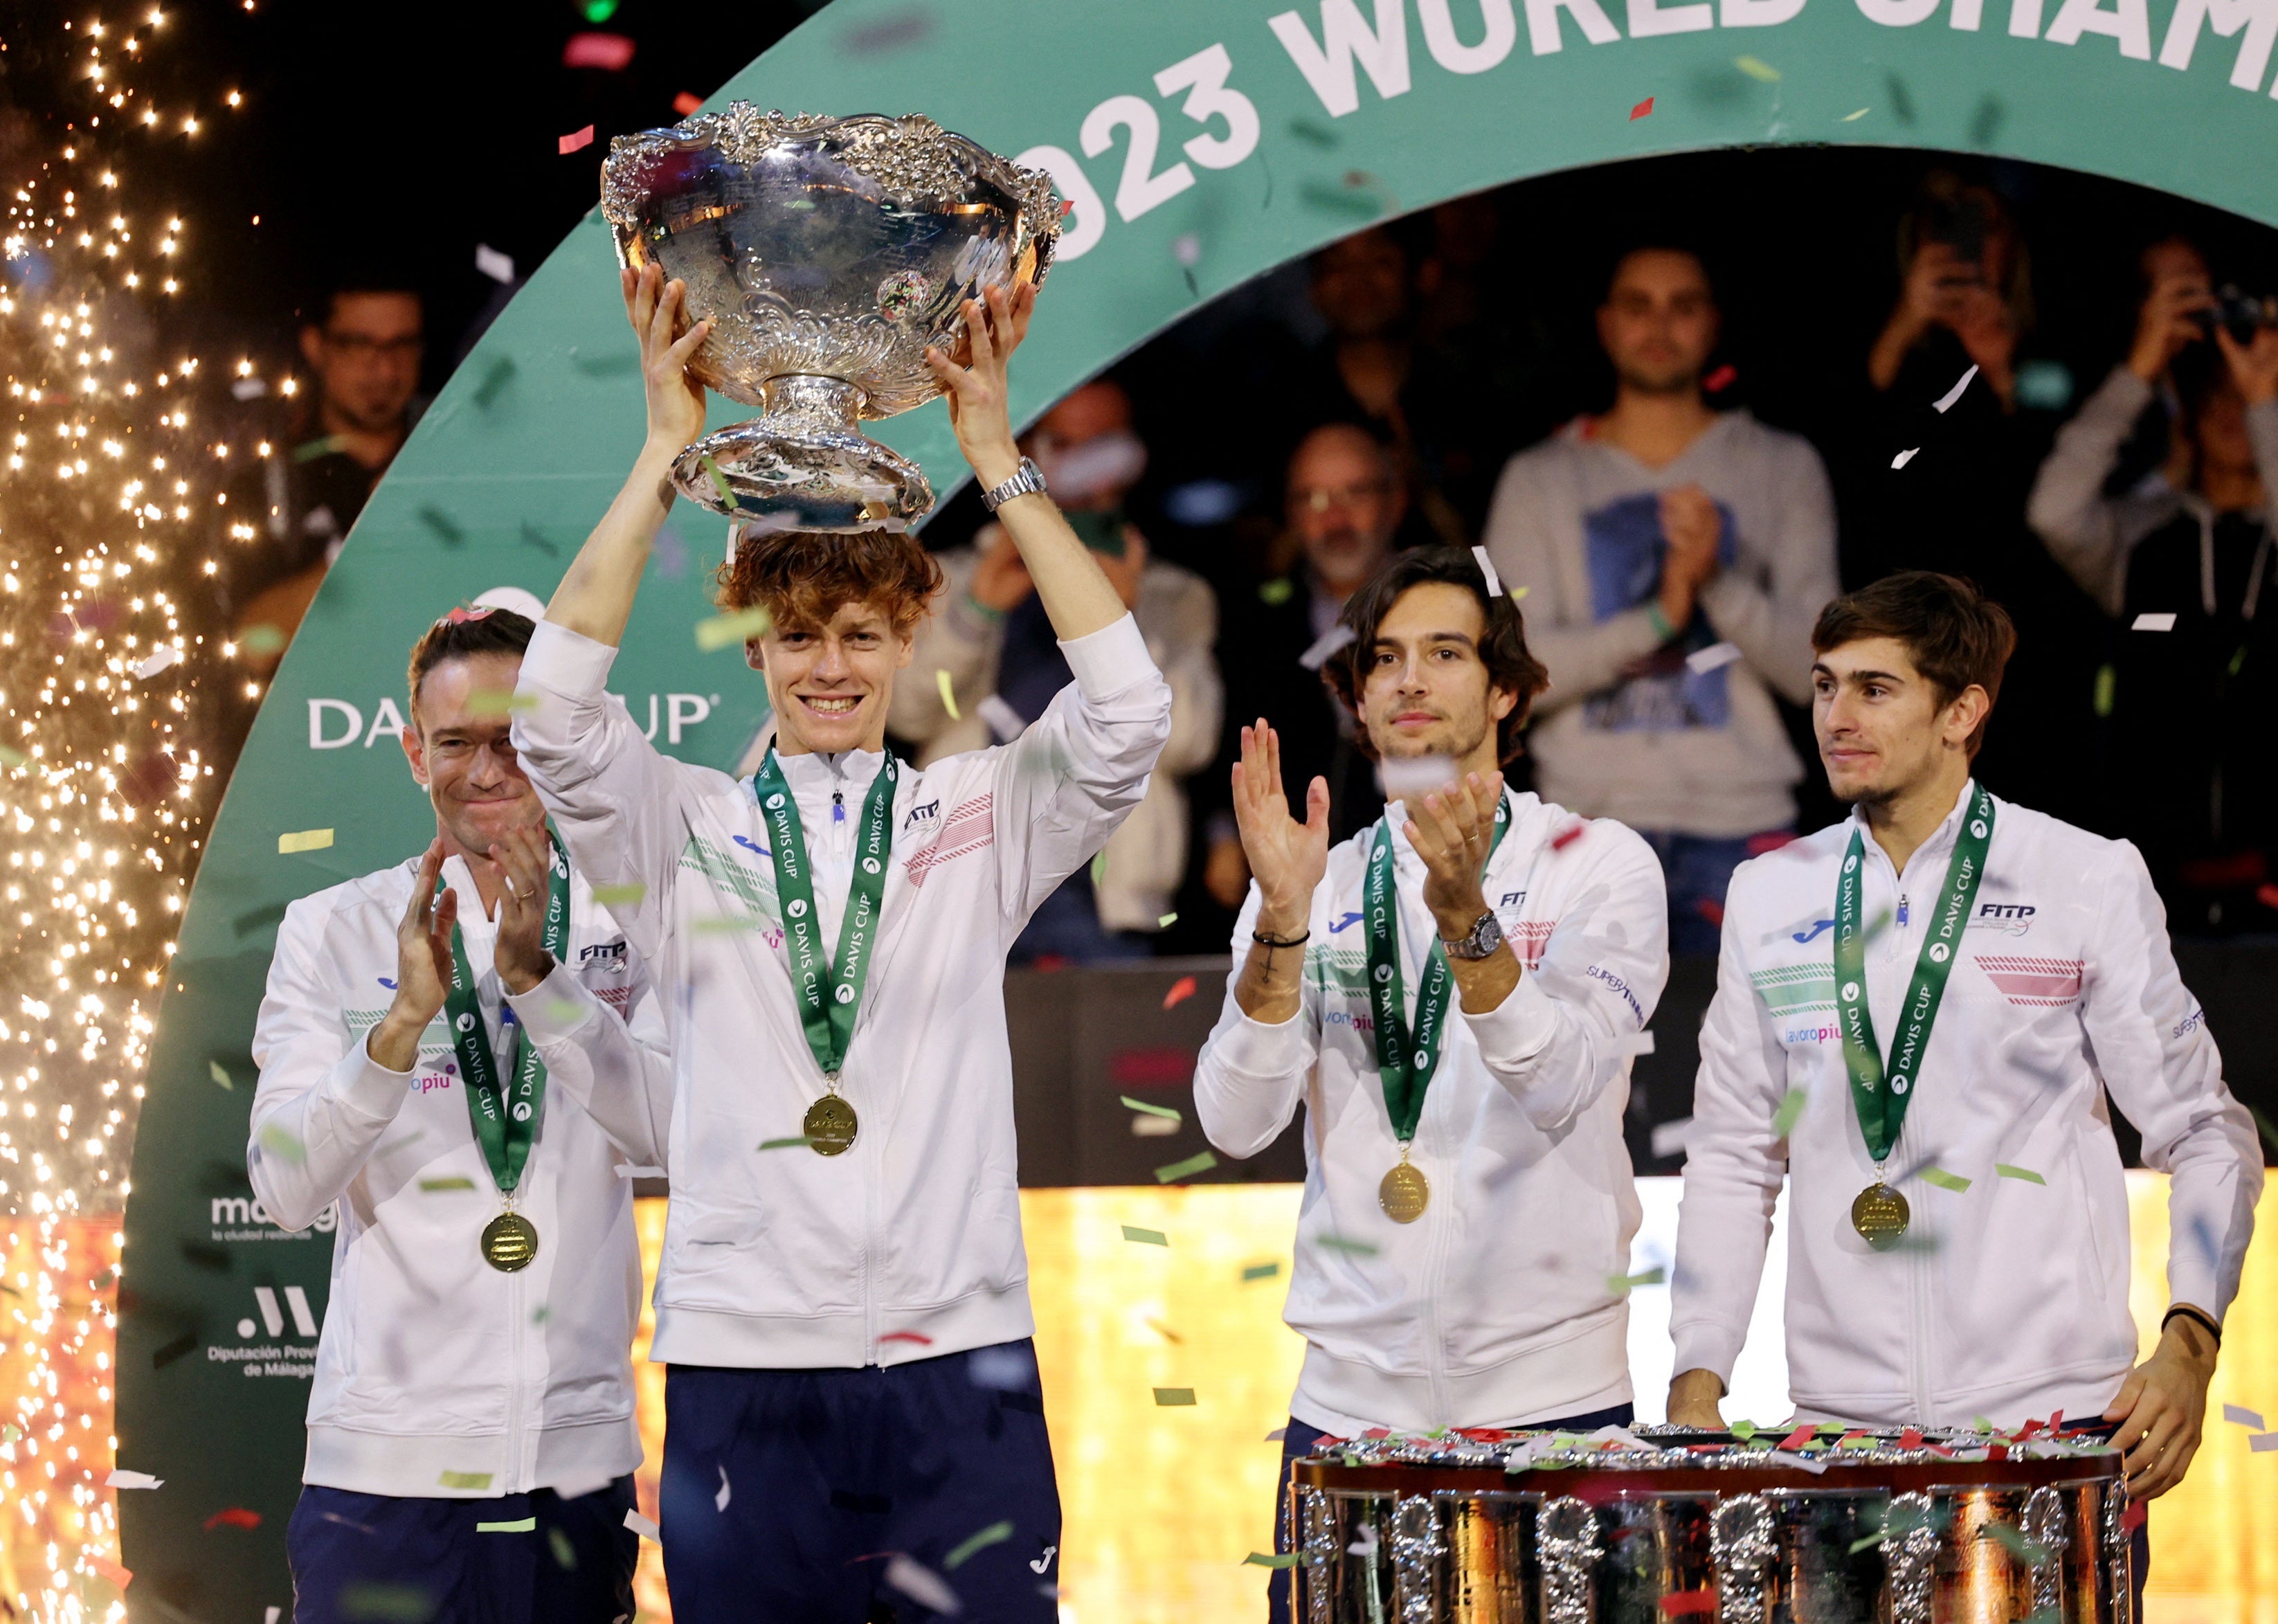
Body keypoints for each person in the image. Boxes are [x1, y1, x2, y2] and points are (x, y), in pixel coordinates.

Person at [509, 264, 1171, 1619]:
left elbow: (1127, 713)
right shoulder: (678, 827)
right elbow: (554, 717)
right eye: (797, 636)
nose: (828, 667)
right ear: (753, 647)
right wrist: (659, 453)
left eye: (861, 636)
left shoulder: (971, 815)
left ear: (907, 638)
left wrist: (998, 460)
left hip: (961, 1361)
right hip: (745, 1365)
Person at [1667, 575, 2259, 1546]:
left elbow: (2202, 1128)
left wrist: (2187, 1340)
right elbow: (1733, 1154)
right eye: (1822, 686)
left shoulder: (2082, 875)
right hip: (1835, 1441)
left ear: (1961, 710)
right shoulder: (1769, 894)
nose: (1835, 717)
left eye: (1873, 687)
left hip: (2053, 1431)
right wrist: (1696, 1379)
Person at [1191, 547, 1669, 1624]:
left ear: (1504, 689)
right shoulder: (1309, 876)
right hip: (1348, 1416)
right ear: (1358, 697)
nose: (1409, 680)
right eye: (1385, 658)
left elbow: (1560, 1081)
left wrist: (1466, 922)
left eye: (1444, 653)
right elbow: (1232, 1119)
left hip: (1555, 1409)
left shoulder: (1599, 863)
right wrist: (1279, 921)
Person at [246, 606, 671, 1623]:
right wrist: (398, 1026)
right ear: (411, 751)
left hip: (571, 1464)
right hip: (381, 1469)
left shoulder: (634, 921)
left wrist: (540, 985)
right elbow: (283, 1187)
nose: (487, 772)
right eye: (456, 743)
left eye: (516, 741)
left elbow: (667, 1131)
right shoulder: (331, 928)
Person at [1481, 244, 1839, 955]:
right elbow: (1510, 674)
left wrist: (1715, 583)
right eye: (1639, 306)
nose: (1659, 326)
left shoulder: (1780, 465)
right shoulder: (1540, 478)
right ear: (1607, 324)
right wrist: (1657, 619)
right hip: (1580, 833)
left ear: (1713, 324)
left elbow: (1819, 677)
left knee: (1769, 1066)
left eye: (1683, 306)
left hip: (1745, 825)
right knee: (1575, 1065)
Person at [889, 377, 1220, 962]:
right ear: (1027, 448)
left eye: (1104, 442)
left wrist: (1130, 623)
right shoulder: (949, 578)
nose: (1086, 465)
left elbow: (1189, 743)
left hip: (1104, 892)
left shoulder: (1175, 596)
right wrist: (975, 612)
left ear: (1133, 453)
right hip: (967, 875)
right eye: (1064, 443)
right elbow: (910, 713)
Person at [1843, 171, 2104, 828]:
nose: (1959, 241)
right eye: (1941, 218)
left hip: (2029, 658)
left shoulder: (2059, 347)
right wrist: (1902, 328)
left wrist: (2000, 370)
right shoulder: (1878, 347)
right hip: (1904, 647)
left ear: (2010, 239)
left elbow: (2069, 498)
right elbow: (1841, 473)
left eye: (1977, 221)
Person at [2026, 260, 2278, 932]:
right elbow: (2054, 511)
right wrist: (2139, 369)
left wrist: (2265, 402)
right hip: (2155, 882)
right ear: (2188, 413)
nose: (2235, 409)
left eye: (2249, 396)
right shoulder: (2146, 539)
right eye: (2216, 394)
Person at [1201, 422, 1406, 913]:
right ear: (1290, 515)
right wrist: (1222, 836)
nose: (1334, 518)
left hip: (1426, 876)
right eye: (1311, 499)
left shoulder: (1449, 608)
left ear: (1394, 502)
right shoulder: (1257, 621)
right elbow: (1230, 737)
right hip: (1299, 891)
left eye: (1353, 494)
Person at [228, 275, 428, 672]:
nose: (385, 368)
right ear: (315, 346)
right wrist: (363, 545)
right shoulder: (267, 484)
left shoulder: (450, 462)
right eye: (359, 345)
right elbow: (251, 645)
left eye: (401, 345)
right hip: (320, 724)